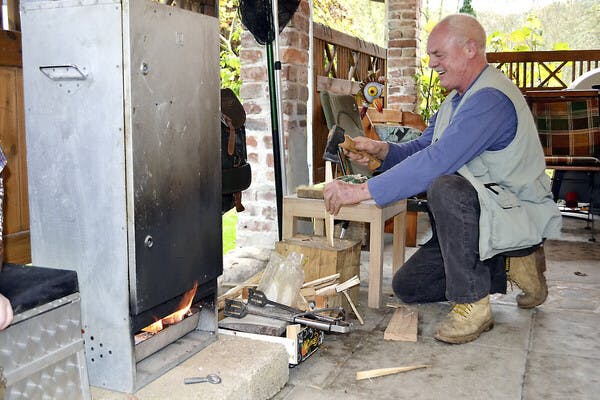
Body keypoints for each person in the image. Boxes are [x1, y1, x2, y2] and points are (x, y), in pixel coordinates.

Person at [323, 14, 562, 344]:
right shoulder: (456, 99)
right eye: (430, 55)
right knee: (409, 286)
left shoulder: (490, 99)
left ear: (469, 49)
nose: (432, 63)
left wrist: (361, 191)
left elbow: (438, 161)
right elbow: (425, 146)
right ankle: (511, 263)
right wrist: (380, 150)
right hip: (483, 212)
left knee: (444, 184)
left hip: (511, 214)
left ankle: (472, 302)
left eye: (439, 54)